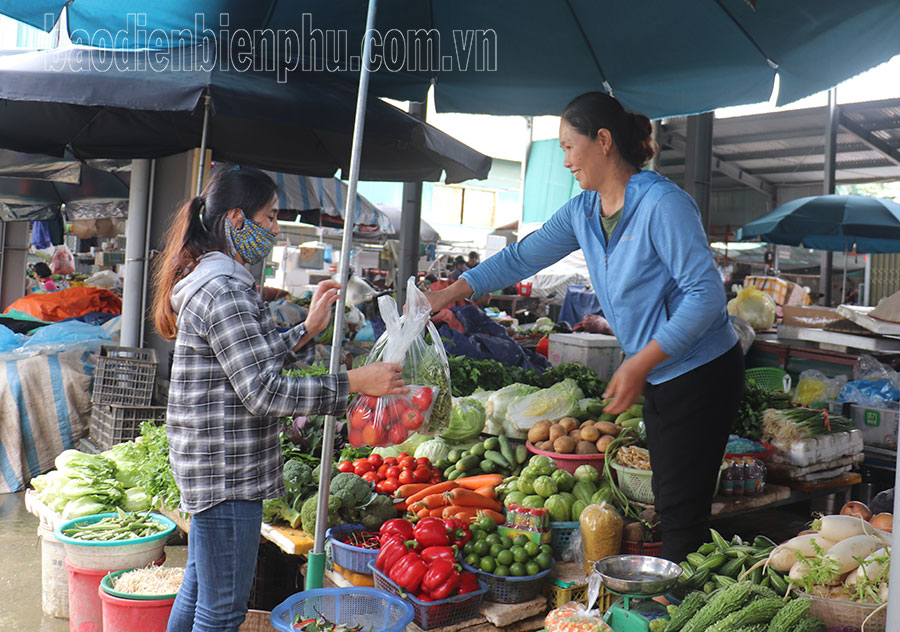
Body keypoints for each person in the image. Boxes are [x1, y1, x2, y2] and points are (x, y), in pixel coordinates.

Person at [426, 92, 744, 563]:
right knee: (670, 497)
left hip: (702, 371)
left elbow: (706, 296)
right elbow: (521, 256)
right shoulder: (583, 211)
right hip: (657, 371)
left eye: (568, 147)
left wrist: (640, 361)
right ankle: (673, 597)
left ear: (603, 140)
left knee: (680, 507)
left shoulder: (662, 204)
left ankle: (674, 606)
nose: (565, 160)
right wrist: (453, 291)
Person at [151, 167, 404, 632]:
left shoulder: (220, 280)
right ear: (234, 219)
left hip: (213, 466)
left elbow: (247, 361)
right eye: (268, 218)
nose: (273, 229)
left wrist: (307, 330)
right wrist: (354, 380)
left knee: (199, 587)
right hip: (227, 474)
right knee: (221, 610)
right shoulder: (224, 289)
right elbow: (264, 391)